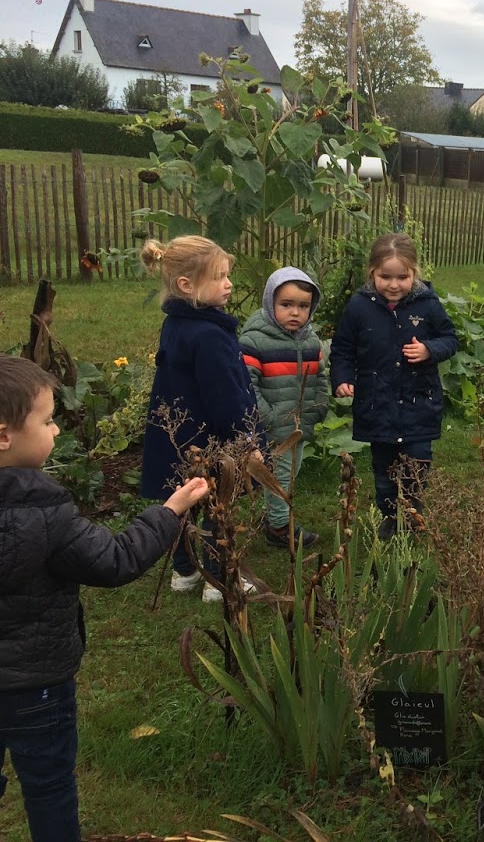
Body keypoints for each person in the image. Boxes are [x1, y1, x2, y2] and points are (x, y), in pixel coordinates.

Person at [0, 354, 207, 842]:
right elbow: (115, 560)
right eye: (48, 421)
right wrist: (170, 511)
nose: (54, 432)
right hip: (38, 685)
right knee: (48, 785)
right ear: (4, 435)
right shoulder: (47, 512)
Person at [138, 235, 261, 602]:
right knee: (215, 505)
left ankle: (185, 571)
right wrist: (246, 443)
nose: (229, 284)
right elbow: (225, 396)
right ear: (186, 285)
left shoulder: (177, 324)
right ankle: (217, 578)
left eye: (227, 275)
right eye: (219, 277)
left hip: (177, 434)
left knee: (183, 503)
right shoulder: (210, 335)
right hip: (210, 438)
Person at [329, 233, 458, 539]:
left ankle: (412, 512)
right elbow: (343, 348)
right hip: (378, 403)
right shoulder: (359, 306)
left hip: (418, 401)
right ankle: (389, 515)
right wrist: (342, 378)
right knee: (384, 466)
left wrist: (429, 350)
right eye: (385, 276)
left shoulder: (427, 304)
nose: (394, 284)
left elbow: (450, 338)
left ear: (414, 274)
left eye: (403, 276)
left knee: (417, 461)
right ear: (371, 273)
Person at [238, 267, 328, 550]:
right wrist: (269, 417)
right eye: (286, 305)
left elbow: (321, 377)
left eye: (303, 306)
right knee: (282, 476)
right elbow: (247, 385)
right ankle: (278, 526)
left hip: (300, 425)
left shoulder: (311, 341)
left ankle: (271, 516)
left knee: (291, 470)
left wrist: (320, 406)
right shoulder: (254, 341)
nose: (295, 313)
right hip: (274, 426)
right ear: (269, 302)